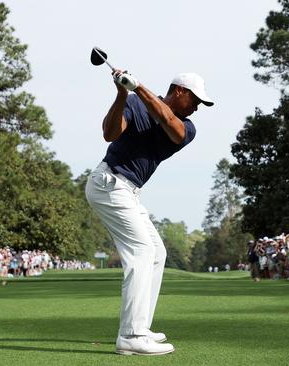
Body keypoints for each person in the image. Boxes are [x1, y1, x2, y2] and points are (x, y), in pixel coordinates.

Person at [85, 69, 213, 356]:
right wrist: (122, 95)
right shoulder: (134, 102)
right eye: (195, 100)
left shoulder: (187, 127)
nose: (196, 108)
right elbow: (109, 133)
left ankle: (140, 326)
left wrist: (138, 86)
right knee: (142, 252)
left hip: (128, 191)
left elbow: (169, 121)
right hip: (109, 183)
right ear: (180, 91)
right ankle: (131, 335)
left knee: (157, 253)